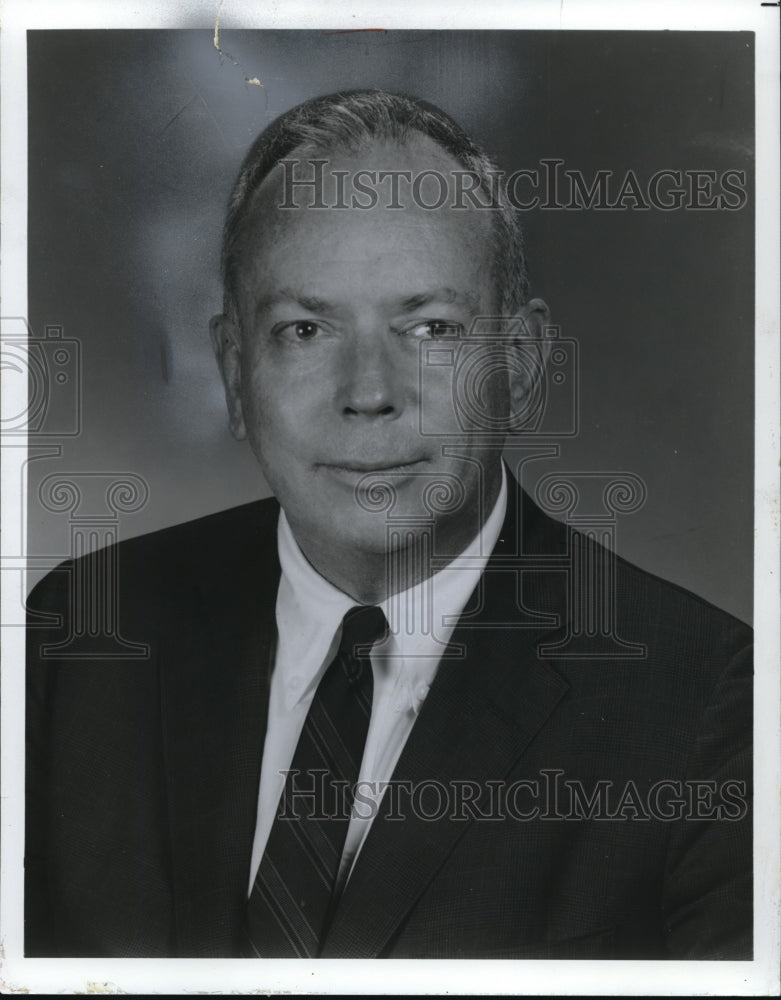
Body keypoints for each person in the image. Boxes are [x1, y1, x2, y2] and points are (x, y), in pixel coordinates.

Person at [25, 90, 752, 960]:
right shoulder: (82, 633)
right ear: (234, 371)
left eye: (431, 328)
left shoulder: (710, 704)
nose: (367, 393)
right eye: (304, 329)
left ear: (518, 367)